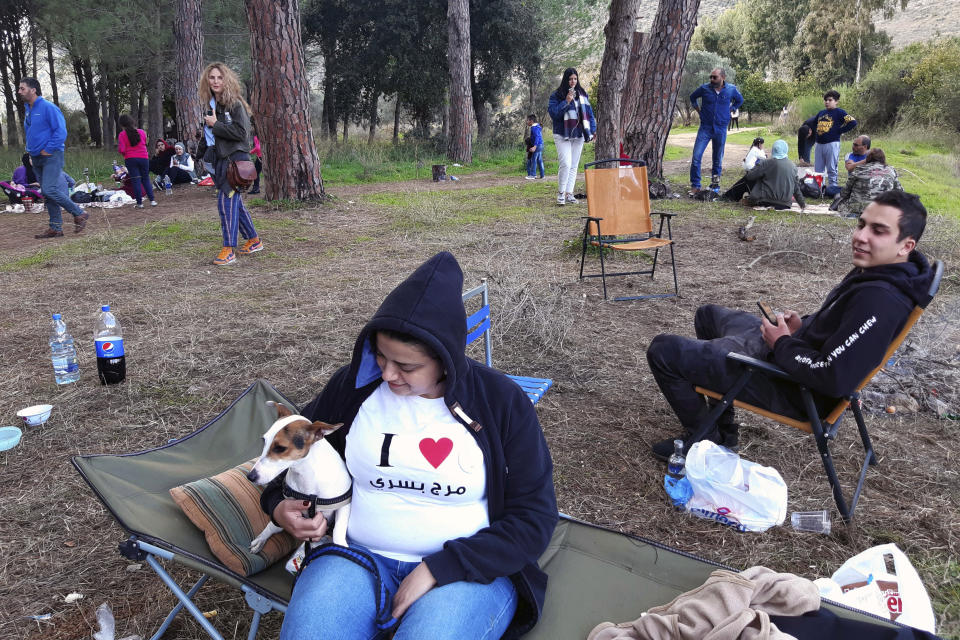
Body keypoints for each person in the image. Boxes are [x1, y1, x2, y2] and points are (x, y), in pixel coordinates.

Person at [260, 251, 557, 640]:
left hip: (469, 572)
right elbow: (292, 454)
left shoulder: (500, 402)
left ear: (446, 359)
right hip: (354, 555)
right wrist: (278, 507)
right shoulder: (353, 389)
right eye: (381, 356)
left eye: (407, 366)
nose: (387, 374)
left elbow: (534, 516)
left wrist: (441, 567)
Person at [646, 190, 933, 459]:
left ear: (906, 246)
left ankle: (706, 439)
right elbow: (839, 334)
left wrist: (782, 343)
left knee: (664, 351)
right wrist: (802, 328)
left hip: (795, 389)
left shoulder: (881, 299)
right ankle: (724, 427)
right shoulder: (884, 269)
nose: (860, 236)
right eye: (861, 225)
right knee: (707, 315)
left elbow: (834, 378)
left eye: (878, 231)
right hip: (793, 358)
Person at [199, 61, 263, 266]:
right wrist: (200, 152)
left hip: (235, 161)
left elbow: (242, 134)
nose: (216, 81)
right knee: (235, 202)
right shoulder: (212, 105)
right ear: (206, 81)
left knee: (226, 202)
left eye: (220, 77)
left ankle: (229, 249)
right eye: (212, 78)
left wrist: (215, 125)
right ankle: (253, 240)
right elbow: (211, 136)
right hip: (221, 161)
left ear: (227, 80)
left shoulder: (234, 103)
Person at [17, 76, 89, 238]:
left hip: (51, 155)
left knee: (49, 189)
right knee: (47, 193)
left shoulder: (48, 107)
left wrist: (48, 149)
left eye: (22, 88)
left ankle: (79, 213)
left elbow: (60, 131)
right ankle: (56, 228)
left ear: (33, 90)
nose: (19, 91)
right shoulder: (29, 109)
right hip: (35, 157)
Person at [688, 68, 743, 195]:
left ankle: (715, 186)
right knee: (696, 157)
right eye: (710, 77)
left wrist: (732, 108)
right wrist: (698, 111)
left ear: (723, 77)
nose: (711, 79)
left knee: (717, 159)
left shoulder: (731, 89)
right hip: (705, 128)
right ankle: (695, 185)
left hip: (721, 129)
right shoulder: (704, 89)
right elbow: (692, 97)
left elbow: (740, 100)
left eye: (714, 77)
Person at [547, 67, 596, 206]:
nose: (573, 81)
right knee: (566, 164)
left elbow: (589, 114)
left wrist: (592, 130)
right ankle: (561, 193)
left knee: (574, 165)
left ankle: (569, 193)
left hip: (579, 134)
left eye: (575, 78)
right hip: (562, 134)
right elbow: (554, 114)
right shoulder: (557, 95)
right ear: (565, 79)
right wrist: (566, 101)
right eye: (570, 79)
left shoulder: (582, 94)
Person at [802, 90, 857, 195]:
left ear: (836, 101)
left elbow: (853, 122)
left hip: (832, 144)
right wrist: (810, 130)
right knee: (818, 168)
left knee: (831, 167)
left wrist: (839, 131)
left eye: (830, 100)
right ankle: (818, 188)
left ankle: (833, 189)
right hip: (819, 144)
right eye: (825, 100)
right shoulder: (821, 113)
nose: (827, 102)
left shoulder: (840, 112)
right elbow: (813, 123)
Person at [723, 140, 804, 210]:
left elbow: (750, 177)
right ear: (786, 150)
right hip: (785, 204)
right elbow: (796, 188)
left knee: (747, 179)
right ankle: (730, 197)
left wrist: (758, 168)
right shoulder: (793, 166)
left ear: (773, 150)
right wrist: (802, 204)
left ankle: (727, 197)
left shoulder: (767, 163)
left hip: (765, 201)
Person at [835, 148, 902, 217]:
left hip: (858, 209)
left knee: (838, 198)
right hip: (882, 210)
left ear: (867, 158)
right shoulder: (891, 171)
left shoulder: (859, 169)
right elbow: (900, 192)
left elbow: (844, 193)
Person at [117, 114, 157, 209]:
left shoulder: (122, 135)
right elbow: (144, 143)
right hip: (144, 158)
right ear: (132, 121)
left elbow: (122, 149)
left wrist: (126, 155)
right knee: (146, 179)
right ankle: (152, 201)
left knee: (136, 181)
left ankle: (140, 203)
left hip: (131, 159)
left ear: (122, 125)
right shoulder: (142, 132)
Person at [525, 113, 544, 180]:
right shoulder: (538, 126)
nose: (527, 122)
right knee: (539, 160)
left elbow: (537, 137)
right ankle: (542, 174)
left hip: (537, 146)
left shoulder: (534, 127)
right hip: (541, 145)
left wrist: (535, 146)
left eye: (527, 120)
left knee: (534, 160)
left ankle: (533, 175)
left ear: (531, 121)